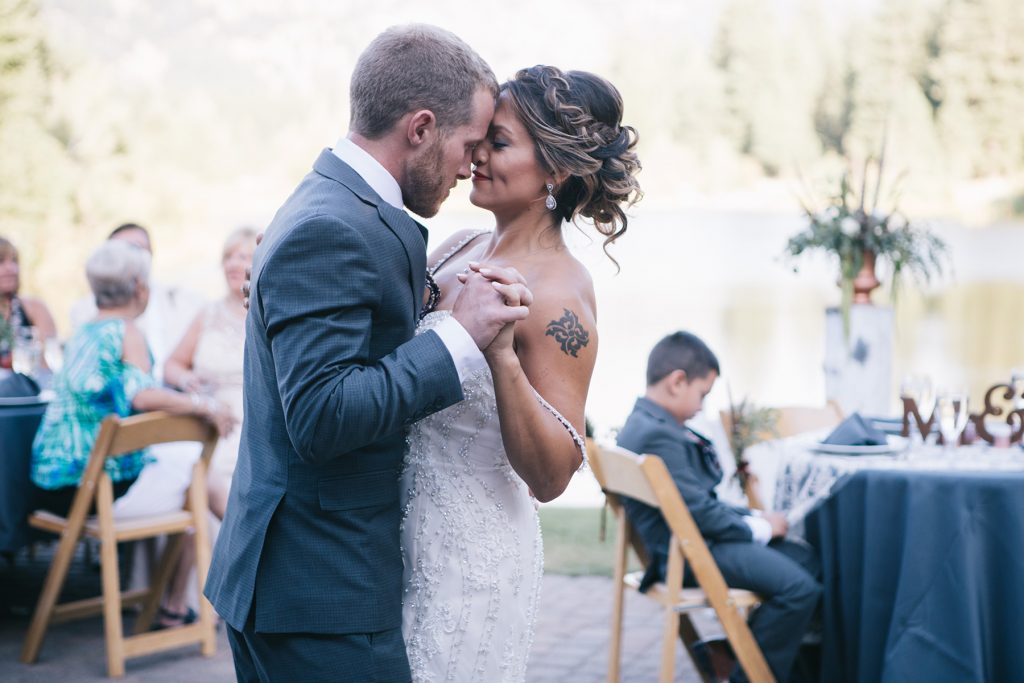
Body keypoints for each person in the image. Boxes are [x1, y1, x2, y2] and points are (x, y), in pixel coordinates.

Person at [205, 24, 532, 683]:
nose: (470, 167)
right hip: (321, 592)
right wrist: (457, 337)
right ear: (420, 128)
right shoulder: (332, 225)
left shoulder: (340, 204)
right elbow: (322, 415)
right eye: (467, 144)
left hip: (305, 583)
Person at [400, 64, 641, 681]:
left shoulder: (560, 294)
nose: (476, 152)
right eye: (480, 137)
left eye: (498, 142)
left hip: (473, 558)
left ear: (556, 171)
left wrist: (502, 356)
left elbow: (555, 473)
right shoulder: (456, 247)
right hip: (403, 535)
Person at [31, 239, 235, 627]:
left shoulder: (85, 333)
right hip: (98, 495)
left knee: (194, 474)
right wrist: (204, 407)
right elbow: (140, 395)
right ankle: (183, 600)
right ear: (141, 287)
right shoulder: (127, 332)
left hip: (60, 488)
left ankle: (177, 601)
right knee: (203, 481)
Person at [616, 331, 821, 683]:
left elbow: (695, 502)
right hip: (693, 553)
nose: (702, 407)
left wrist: (755, 516)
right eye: (702, 394)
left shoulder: (641, 424)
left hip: (686, 543)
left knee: (808, 561)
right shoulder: (658, 435)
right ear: (677, 382)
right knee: (799, 589)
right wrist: (762, 528)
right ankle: (750, 674)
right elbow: (700, 513)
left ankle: (736, 653)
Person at [164, 227, 255, 519]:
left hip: (253, 424)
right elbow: (172, 365)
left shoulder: (269, 314)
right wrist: (185, 378)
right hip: (209, 423)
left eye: (243, 256)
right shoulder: (207, 314)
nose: (233, 264)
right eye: (228, 256)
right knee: (190, 470)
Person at [70, 223, 204, 384]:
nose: (132, 258)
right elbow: (140, 393)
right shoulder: (122, 329)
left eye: (138, 250)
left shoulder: (185, 300)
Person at [0, 236, 57, 368]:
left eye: (14, 261)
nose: (11, 269)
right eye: (1, 261)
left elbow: (48, 362)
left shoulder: (35, 308)